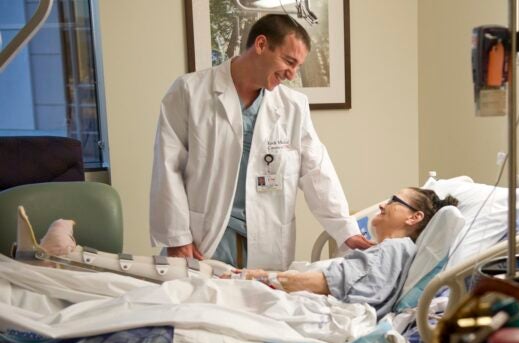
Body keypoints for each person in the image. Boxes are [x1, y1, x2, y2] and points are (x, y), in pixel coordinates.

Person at [149, 14, 371, 271]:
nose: (291, 74)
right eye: (289, 61)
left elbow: (317, 171)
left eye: (298, 66)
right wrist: (176, 237)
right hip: (206, 240)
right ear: (261, 45)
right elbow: (167, 166)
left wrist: (345, 229)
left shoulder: (293, 107)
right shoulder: (190, 91)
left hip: (267, 241)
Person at [229, 187, 459, 318]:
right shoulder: (392, 251)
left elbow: (324, 282)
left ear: (414, 217)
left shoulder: (393, 248)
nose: (382, 205)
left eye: (393, 200)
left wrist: (255, 276)